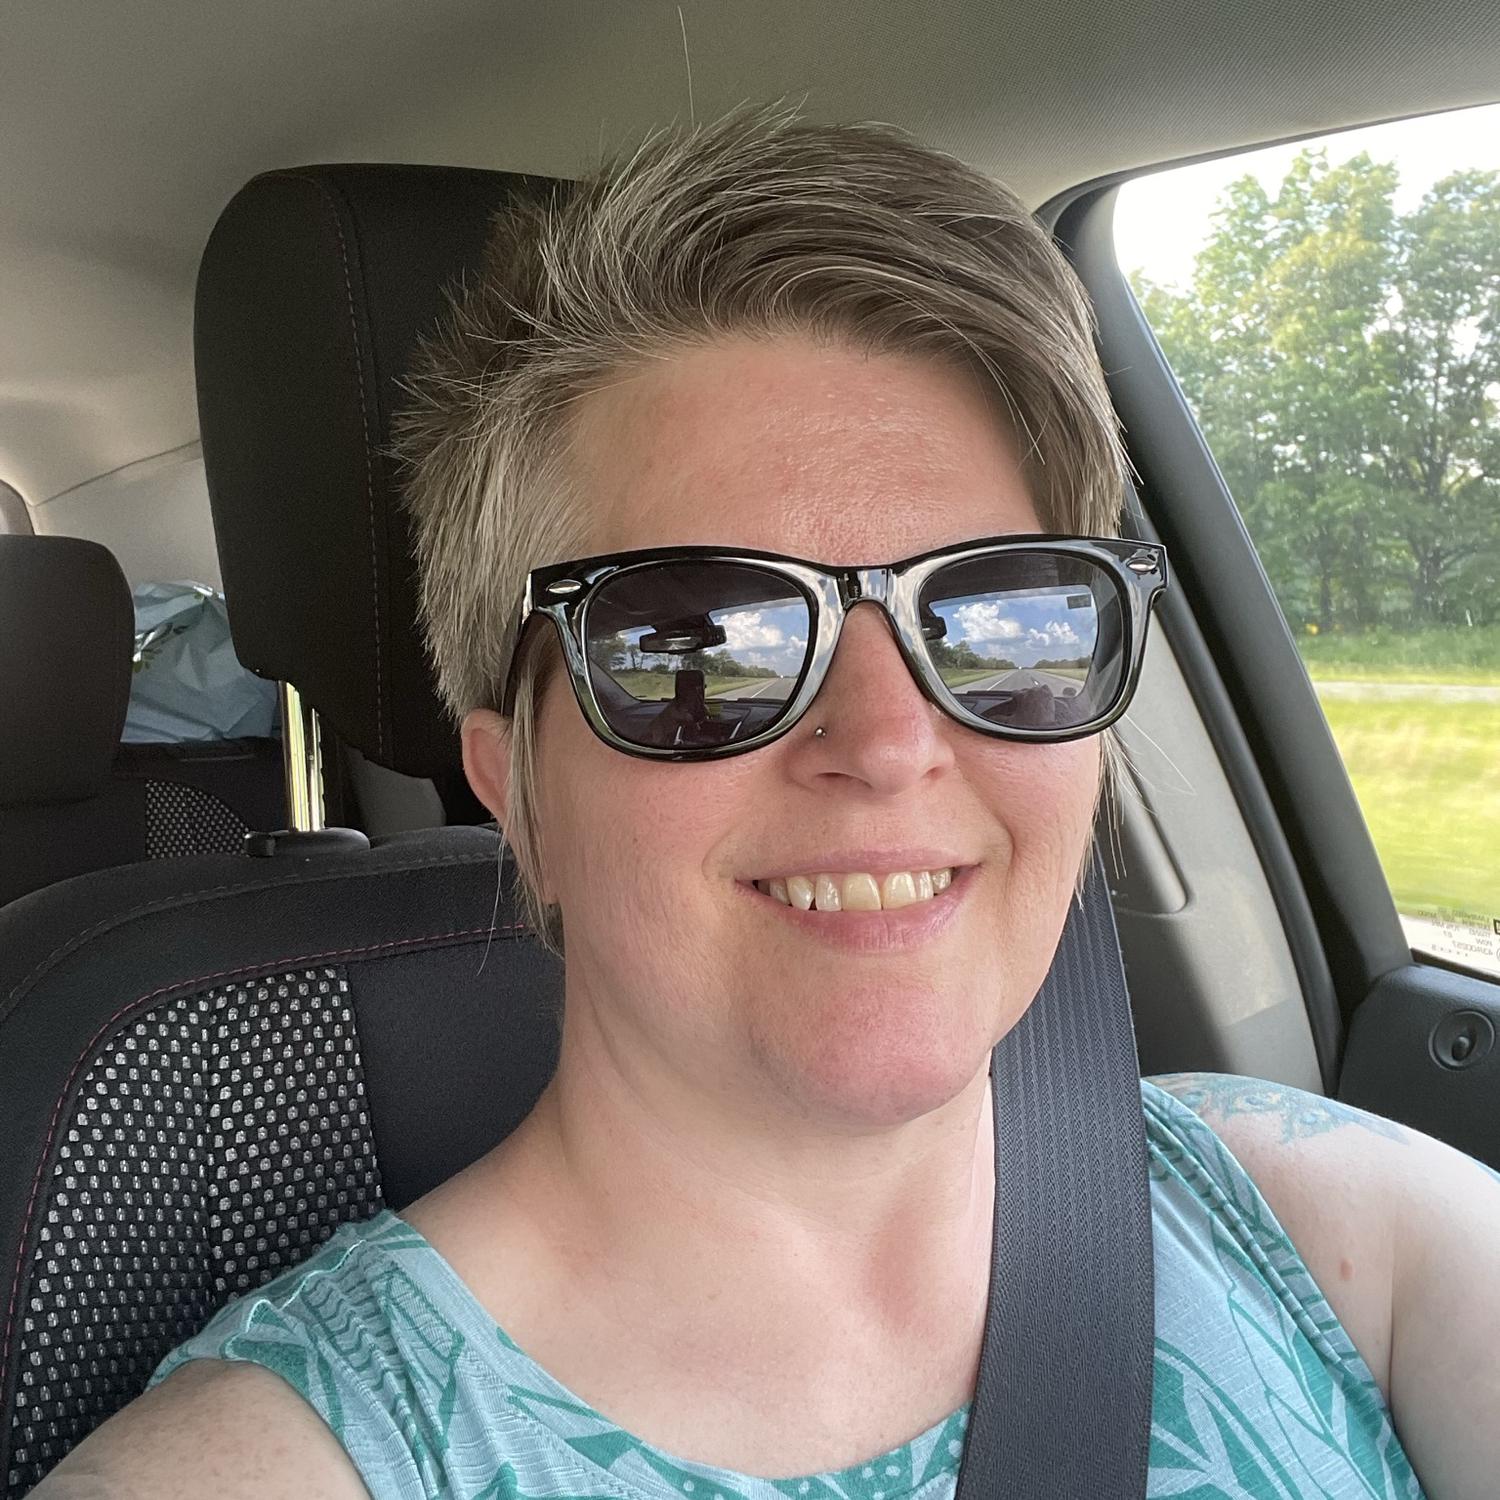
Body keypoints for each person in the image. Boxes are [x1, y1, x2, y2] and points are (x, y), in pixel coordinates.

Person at [37, 108, 1499, 1500]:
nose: (890, 742)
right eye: (699, 646)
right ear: (515, 789)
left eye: (996, 622)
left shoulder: (1323, 1224)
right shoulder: (291, 1459)